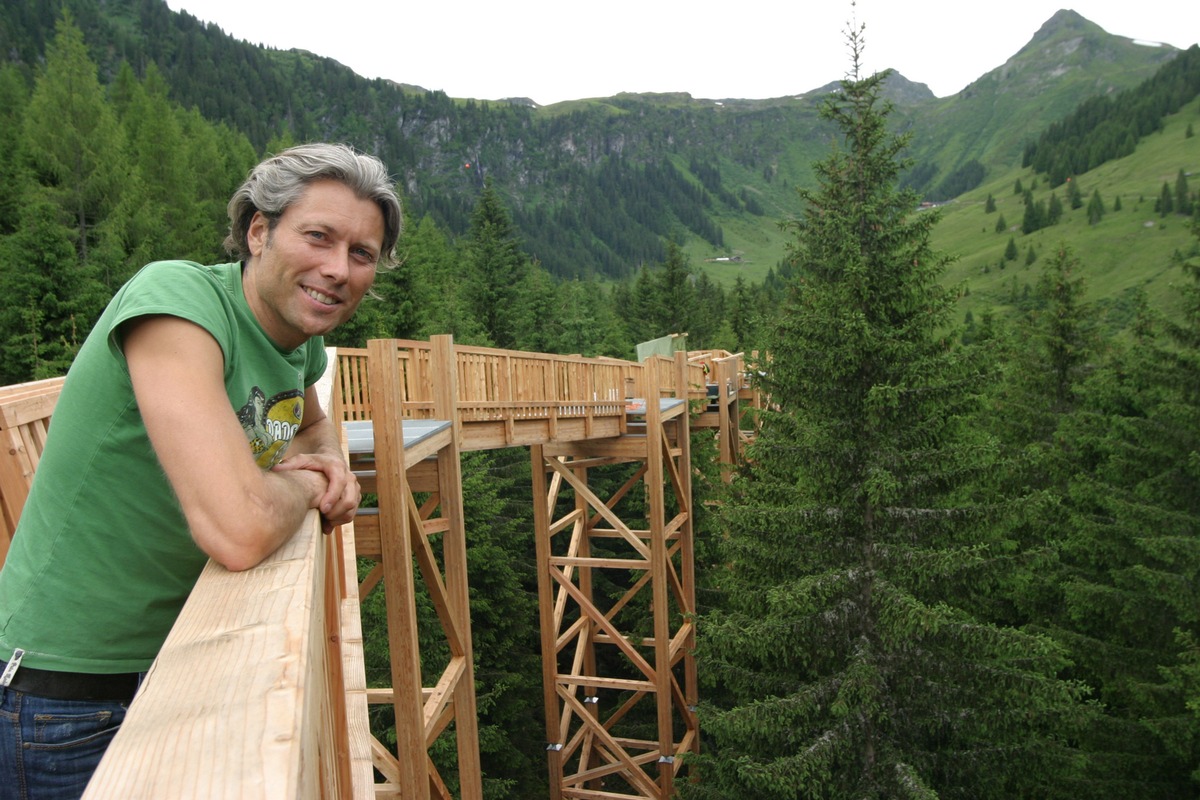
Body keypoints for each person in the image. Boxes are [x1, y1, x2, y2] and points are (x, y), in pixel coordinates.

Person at [0, 142, 402, 798]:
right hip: (65, 697)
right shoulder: (177, 301)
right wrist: (309, 484)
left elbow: (312, 422)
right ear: (259, 231)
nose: (337, 270)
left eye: (360, 254)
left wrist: (328, 460)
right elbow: (238, 529)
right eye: (319, 237)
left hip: (170, 665)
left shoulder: (297, 342)